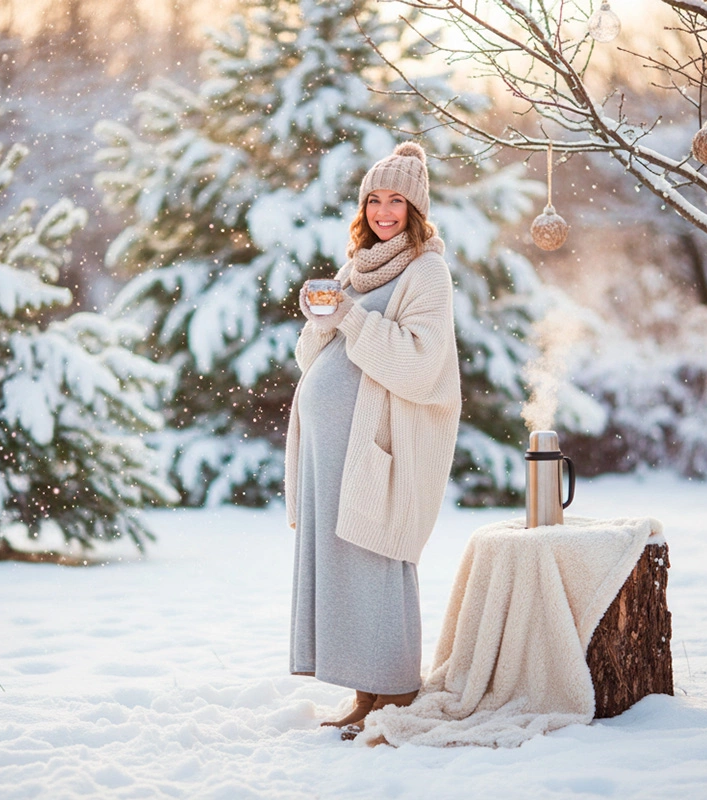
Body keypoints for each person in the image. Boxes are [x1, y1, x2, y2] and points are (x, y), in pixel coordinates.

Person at [284, 142, 463, 740]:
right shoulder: (354, 269)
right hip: (329, 449)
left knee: (375, 557)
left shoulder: (426, 272)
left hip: (378, 447)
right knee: (342, 562)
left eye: (397, 200)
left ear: (416, 209)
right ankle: (367, 693)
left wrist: (352, 319)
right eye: (375, 199)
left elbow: (421, 362)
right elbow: (318, 360)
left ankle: (396, 690)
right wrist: (319, 321)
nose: (385, 210)